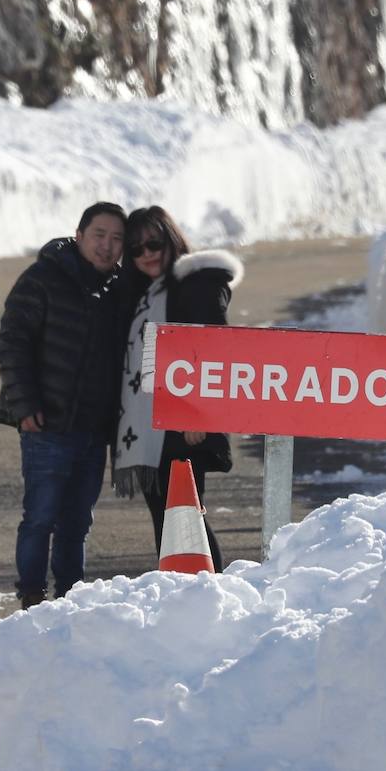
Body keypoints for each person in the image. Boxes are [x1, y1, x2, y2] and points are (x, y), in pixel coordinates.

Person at [0, 201, 127, 609]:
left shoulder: (118, 291)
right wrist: (24, 404)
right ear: (80, 235)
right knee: (40, 517)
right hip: (46, 423)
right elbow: (12, 343)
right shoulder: (44, 278)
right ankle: (32, 597)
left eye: (117, 239)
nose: (107, 246)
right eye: (99, 235)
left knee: (77, 523)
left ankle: (70, 597)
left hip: (93, 429)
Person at [112, 205, 242, 572]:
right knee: (172, 522)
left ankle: (206, 595)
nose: (147, 253)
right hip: (151, 429)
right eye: (136, 249)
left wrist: (196, 412)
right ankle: (186, 595)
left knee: (186, 520)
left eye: (154, 242)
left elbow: (211, 350)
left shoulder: (194, 285)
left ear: (172, 239)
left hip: (183, 427)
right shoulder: (147, 294)